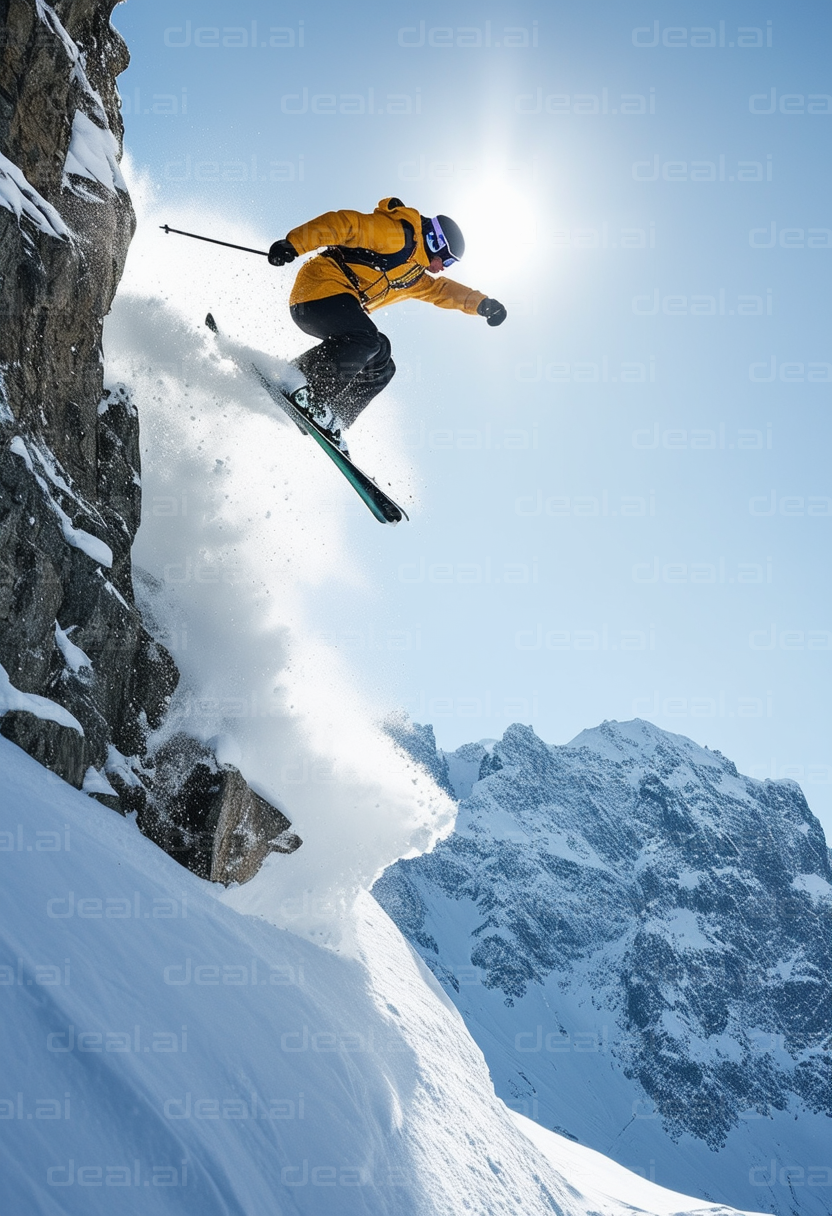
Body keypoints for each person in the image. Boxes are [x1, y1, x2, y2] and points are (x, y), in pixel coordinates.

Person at [268, 196, 507, 454]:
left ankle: (332, 416)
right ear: (435, 242)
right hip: (316, 291)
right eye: (446, 261)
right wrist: (294, 244)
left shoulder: (415, 275)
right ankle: (305, 387)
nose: (444, 268)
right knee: (367, 339)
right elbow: (345, 224)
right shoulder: (397, 235)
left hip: (338, 305)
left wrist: (482, 304)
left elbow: (442, 291)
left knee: (383, 361)